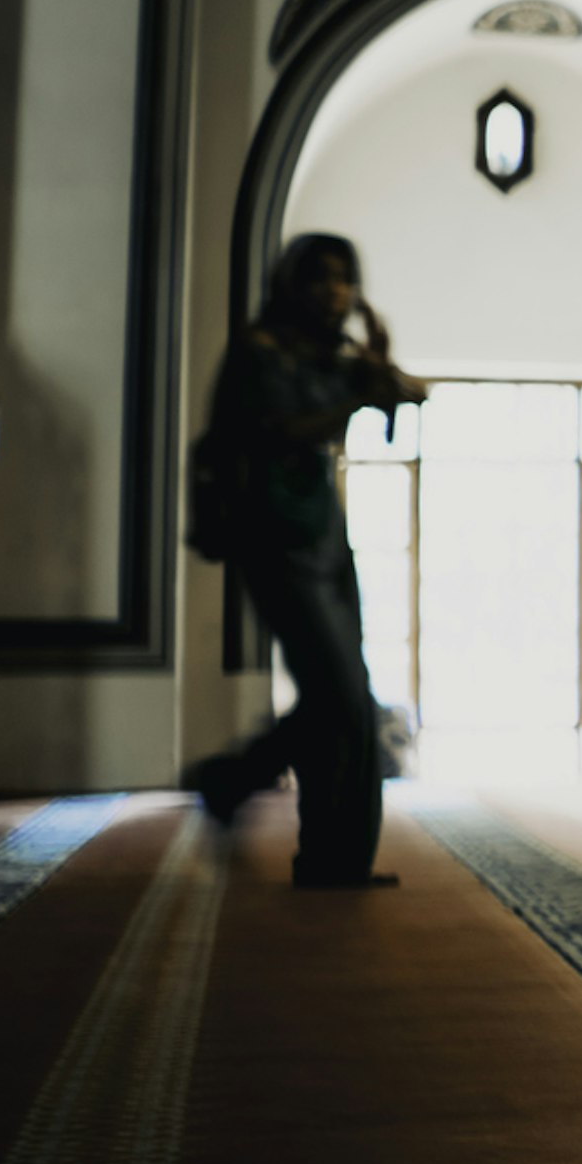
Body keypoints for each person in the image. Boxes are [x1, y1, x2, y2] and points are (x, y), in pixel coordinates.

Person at [185, 234, 426, 887]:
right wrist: (359, 400)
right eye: (320, 277)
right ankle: (239, 784)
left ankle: (325, 853)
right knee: (344, 698)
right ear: (293, 283)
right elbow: (275, 429)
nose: (334, 291)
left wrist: (379, 363)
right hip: (272, 536)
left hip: (323, 535)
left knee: (341, 698)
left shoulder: (332, 355)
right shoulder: (260, 352)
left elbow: (407, 392)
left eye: (345, 279)